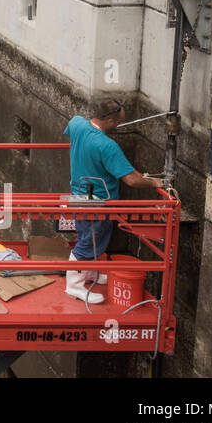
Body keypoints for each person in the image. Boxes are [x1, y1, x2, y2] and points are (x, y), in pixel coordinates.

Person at [63, 99, 163, 303]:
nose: (117, 127)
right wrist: (156, 182)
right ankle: (73, 286)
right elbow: (131, 179)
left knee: (89, 237)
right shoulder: (107, 146)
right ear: (109, 120)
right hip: (98, 201)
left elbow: (72, 134)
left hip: (77, 194)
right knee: (88, 241)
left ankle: (89, 272)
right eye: (117, 122)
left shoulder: (76, 123)